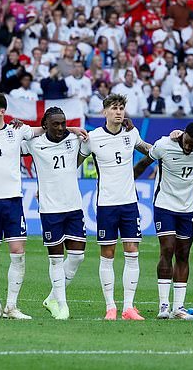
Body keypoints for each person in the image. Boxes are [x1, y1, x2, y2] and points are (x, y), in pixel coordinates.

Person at [0, 92, 85, 319]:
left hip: (13, 201)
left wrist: (73, 130)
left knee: (18, 253)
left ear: (2, 112)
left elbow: (45, 130)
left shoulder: (17, 131)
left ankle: (11, 306)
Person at [78, 94, 150, 320]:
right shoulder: (93, 138)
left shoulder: (132, 133)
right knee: (107, 254)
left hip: (129, 203)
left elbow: (149, 149)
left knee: (132, 253)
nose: (119, 112)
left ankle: (128, 307)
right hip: (106, 204)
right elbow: (74, 164)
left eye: (121, 108)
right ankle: (111, 306)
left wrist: (170, 143)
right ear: (105, 112)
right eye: (114, 108)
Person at [133, 122, 193, 320]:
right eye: (186, 142)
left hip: (188, 208)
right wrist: (127, 184)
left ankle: (178, 308)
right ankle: (163, 305)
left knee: (184, 254)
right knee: (167, 249)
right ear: (183, 135)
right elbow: (144, 163)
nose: (188, 147)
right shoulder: (164, 145)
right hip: (164, 204)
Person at [23, 107, 87, 320]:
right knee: (56, 260)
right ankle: (61, 304)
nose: (60, 128)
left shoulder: (75, 139)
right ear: (45, 126)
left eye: (63, 123)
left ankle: (52, 297)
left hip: (74, 207)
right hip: (50, 210)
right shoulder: (34, 143)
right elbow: (16, 136)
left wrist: (72, 128)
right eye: (55, 124)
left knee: (77, 256)